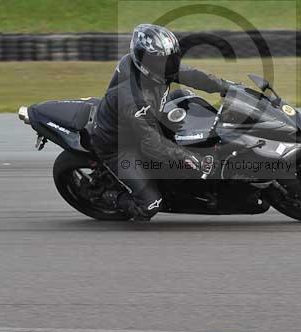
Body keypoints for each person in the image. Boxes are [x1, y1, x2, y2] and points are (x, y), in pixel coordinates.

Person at [90, 23, 230, 221]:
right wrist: (189, 158)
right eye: (163, 61)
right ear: (145, 62)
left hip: (147, 117)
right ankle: (109, 196)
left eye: (172, 58)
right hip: (119, 145)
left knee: (186, 98)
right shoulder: (133, 97)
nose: (171, 65)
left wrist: (226, 87)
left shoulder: (157, 67)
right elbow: (150, 142)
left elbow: (191, 75)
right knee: (150, 205)